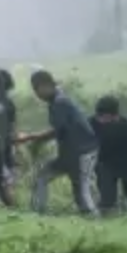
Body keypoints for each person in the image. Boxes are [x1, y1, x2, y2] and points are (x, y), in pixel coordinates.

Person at [16, 69, 98, 216]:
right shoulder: (57, 101)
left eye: (37, 89)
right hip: (69, 154)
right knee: (42, 177)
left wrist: (30, 137)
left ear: (46, 85)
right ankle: (37, 214)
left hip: (82, 153)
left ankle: (94, 220)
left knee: (82, 190)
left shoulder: (60, 102)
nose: (37, 94)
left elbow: (56, 131)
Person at [0, 68, 19, 207]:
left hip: (0, 145)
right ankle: (11, 206)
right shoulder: (9, 103)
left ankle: (11, 206)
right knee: (8, 178)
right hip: (7, 145)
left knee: (5, 179)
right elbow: (12, 127)